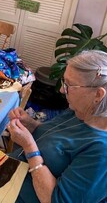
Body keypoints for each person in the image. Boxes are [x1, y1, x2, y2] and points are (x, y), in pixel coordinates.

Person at [7, 50, 107, 202]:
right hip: (10, 175)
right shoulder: (79, 111)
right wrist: (32, 124)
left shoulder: (101, 152)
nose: (62, 90)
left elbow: (57, 200)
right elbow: (57, 139)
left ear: (98, 95)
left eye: (69, 85)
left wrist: (30, 149)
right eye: (64, 82)